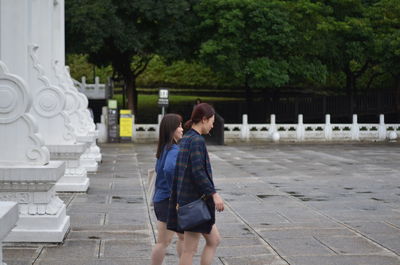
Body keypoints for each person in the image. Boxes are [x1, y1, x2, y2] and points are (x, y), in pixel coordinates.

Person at [167, 103, 224, 265]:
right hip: (194, 204)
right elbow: (198, 172)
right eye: (212, 121)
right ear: (204, 120)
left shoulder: (187, 139)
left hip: (189, 202)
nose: (213, 125)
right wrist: (214, 194)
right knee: (190, 250)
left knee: (214, 240)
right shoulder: (197, 140)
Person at [150, 114, 184, 265]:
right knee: (164, 242)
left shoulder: (164, 148)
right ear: (171, 129)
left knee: (181, 237)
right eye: (179, 126)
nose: (182, 129)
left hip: (161, 199)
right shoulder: (174, 150)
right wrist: (175, 194)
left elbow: (159, 169)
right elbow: (169, 169)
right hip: (167, 201)